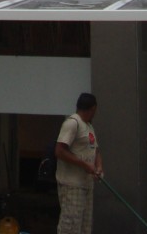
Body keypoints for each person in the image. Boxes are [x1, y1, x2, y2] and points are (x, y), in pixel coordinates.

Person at [54, 92, 102, 234]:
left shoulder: (89, 126)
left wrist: (99, 167)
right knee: (70, 227)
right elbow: (59, 151)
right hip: (72, 185)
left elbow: (96, 150)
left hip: (87, 185)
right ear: (93, 108)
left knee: (84, 228)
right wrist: (85, 165)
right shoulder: (72, 123)